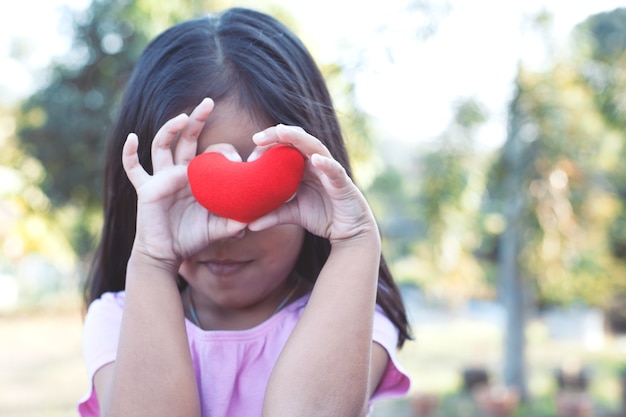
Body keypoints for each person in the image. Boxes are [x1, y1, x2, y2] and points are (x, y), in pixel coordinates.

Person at [79, 7, 411, 417]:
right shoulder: (119, 320)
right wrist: (153, 258)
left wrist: (355, 243)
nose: (229, 229)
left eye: (263, 191)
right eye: (195, 189)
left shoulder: (353, 313)